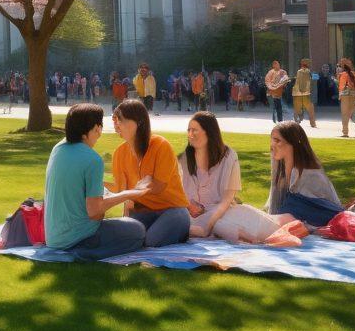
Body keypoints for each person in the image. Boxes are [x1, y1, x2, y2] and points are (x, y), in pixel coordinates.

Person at [44, 103, 154, 261]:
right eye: (99, 128)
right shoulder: (92, 159)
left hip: (53, 238)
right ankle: (81, 255)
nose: (100, 133)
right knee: (137, 231)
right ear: (95, 128)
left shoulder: (58, 149)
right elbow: (95, 212)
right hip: (78, 239)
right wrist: (131, 193)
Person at [179, 112, 303, 245]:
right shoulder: (182, 160)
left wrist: (207, 228)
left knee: (236, 224)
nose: (190, 134)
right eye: (189, 130)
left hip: (223, 212)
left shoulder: (229, 156)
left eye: (195, 130)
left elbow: (226, 201)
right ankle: (253, 237)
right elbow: (176, 195)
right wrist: (189, 206)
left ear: (208, 132)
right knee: (216, 226)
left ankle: (285, 228)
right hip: (194, 217)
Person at [110, 99, 192, 247]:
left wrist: (137, 189)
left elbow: (158, 186)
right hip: (141, 213)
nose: (116, 124)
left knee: (151, 241)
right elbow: (122, 193)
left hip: (172, 210)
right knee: (126, 240)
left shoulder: (160, 145)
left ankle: (180, 231)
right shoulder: (119, 153)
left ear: (139, 122)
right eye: (114, 119)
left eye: (120, 119)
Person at [265, 121, 346, 227]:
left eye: (277, 141)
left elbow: (323, 209)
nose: (272, 146)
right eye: (272, 140)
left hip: (326, 219)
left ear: (293, 143)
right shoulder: (281, 175)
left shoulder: (310, 175)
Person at [336, 58, 355, 137]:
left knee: (345, 114)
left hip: (345, 96)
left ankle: (345, 132)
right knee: (352, 114)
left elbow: (339, 84)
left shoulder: (342, 75)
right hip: (353, 95)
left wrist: (338, 72)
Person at [291, 58, 316, 128]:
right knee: (310, 109)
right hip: (305, 93)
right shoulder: (308, 72)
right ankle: (312, 123)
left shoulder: (301, 71)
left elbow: (298, 82)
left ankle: (297, 122)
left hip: (299, 93)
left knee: (297, 108)